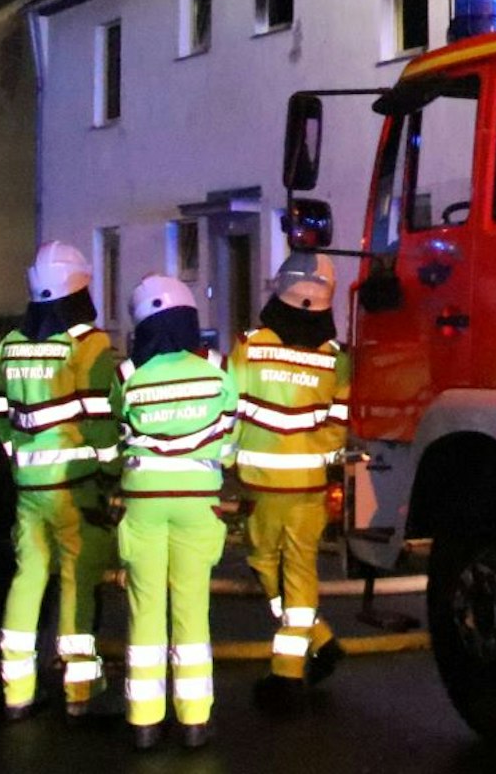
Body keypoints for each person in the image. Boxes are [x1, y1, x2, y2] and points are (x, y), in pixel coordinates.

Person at [0, 240, 119, 719]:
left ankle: (17, 690)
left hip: (29, 488)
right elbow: (101, 421)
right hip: (76, 486)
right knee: (76, 582)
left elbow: (1, 416)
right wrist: (111, 471)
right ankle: (79, 691)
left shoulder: (9, 346)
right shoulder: (89, 345)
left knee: (27, 580)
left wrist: (21, 457)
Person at [113, 275, 237, 750]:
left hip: (143, 503)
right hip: (197, 503)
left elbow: (116, 434)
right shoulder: (219, 370)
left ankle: (144, 723)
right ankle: (194, 722)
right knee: (191, 610)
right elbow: (227, 442)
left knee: (145, 610)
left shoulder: (126, 375)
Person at [228, 250, 350, 711]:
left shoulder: (250, 346)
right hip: (310, 486)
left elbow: (230, 410)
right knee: (299, 572)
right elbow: (339, 422)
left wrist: (223, 462)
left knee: (265, 564)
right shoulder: (336, 360)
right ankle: (316, 639)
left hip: (261, 483)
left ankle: (287, 673)